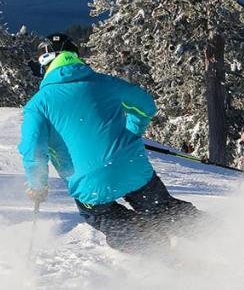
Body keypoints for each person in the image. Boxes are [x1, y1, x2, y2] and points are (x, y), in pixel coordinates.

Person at [18, 33, 201, 252]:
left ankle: (162, 253)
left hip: (90, 185)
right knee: (163, 210)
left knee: (107, 218)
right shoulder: (106, 84)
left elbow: (33, 150)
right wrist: (130, 133)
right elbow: (146, 106)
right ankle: (228, 238)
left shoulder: (38, 105)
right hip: (132, 167)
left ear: (46, 62)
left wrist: (38, 185)